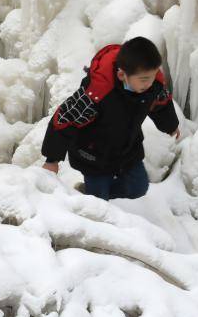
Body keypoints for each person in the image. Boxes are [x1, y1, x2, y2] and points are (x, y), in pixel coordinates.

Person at [40, 37, 180, 200]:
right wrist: (52, 160)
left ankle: (88, 194)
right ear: (122, 75)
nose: (150, 83)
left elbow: (161, 103)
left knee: (138, 188)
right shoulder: (97, 93)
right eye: (144, 79)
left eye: (153, 76)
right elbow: (65, 119)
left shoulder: (152, 85)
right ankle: (91, 200)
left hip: (127, 149)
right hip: (94, 154)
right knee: (99, 199)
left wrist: (170, 125)